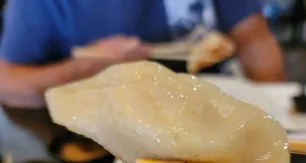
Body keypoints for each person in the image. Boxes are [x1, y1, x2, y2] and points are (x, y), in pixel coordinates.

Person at [0, 0, 285, 108]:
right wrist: (89, 66)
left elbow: (253, 37)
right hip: (105, 142)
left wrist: (272, 110)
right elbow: (9, 85)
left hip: (213, 108)